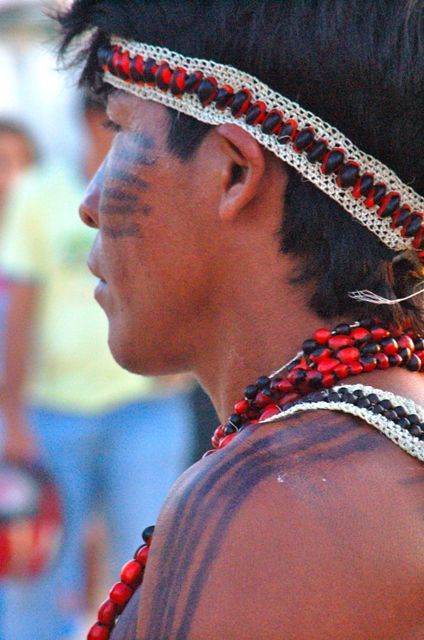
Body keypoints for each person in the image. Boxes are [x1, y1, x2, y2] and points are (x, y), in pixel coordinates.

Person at [57, 1, 423, 638]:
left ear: (233, 171)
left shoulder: (280, 502)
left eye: (118, 129)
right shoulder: (360, 461)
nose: (88, 204)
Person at [0, 97, 193, 639]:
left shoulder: (159, 189)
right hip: (53, 414)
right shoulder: (41, 195)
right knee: (32, 568)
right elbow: (19, 308)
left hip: (144, 410)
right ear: (94, 120)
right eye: (123, 125)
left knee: (148, 574)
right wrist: (12, 414)